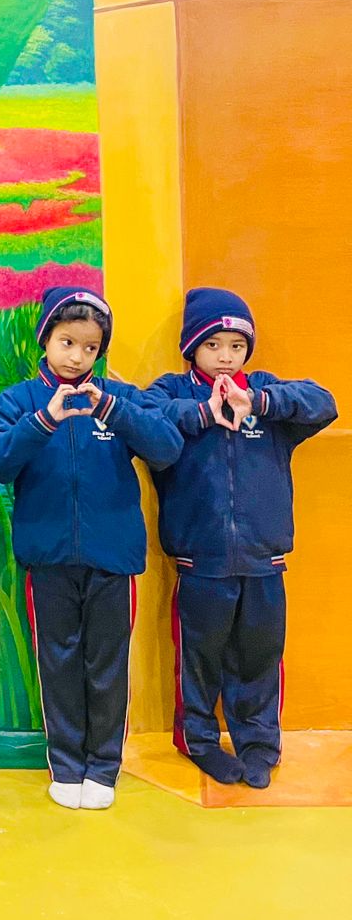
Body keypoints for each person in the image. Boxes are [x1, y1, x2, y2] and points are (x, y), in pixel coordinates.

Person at [0, 286, 182, 810]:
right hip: (47, 559)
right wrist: (44, 420)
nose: (77, 357)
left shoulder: (119, 397)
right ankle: (66, 766)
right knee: (59, 663)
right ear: (45, 339)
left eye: (90, 348)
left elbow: (167, 448)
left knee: (107, 665)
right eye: (67, 342)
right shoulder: (20, 400)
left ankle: (103, 768)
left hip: (112, 558)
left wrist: (111, 408)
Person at [148, 288, 338, 788]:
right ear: (192, 348)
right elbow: (145, 420)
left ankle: (258, 745)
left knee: (259, 658)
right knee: (199, 659)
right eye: (213, 345)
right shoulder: (172, 391)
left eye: (236, 346)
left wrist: (257, 401)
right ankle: (200, 742)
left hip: (263, 560)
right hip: (200, 561)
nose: (226, 357)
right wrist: (204, 412)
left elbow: (324, 403)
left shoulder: (264, 392)